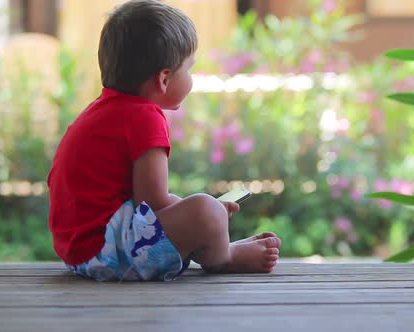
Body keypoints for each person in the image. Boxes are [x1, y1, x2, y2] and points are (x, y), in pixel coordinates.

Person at [47, 0, 281, 282]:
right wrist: (209, 215)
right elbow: (154, 202)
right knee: (205, 209)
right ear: (164, 79)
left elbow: (145, 207)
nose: (192, 77)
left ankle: (217, 243)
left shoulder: (104, 110)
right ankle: (225, 257)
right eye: (190, 68)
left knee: (203, 211)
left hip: (82, 252)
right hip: (107, 253)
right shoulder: (145, 117)